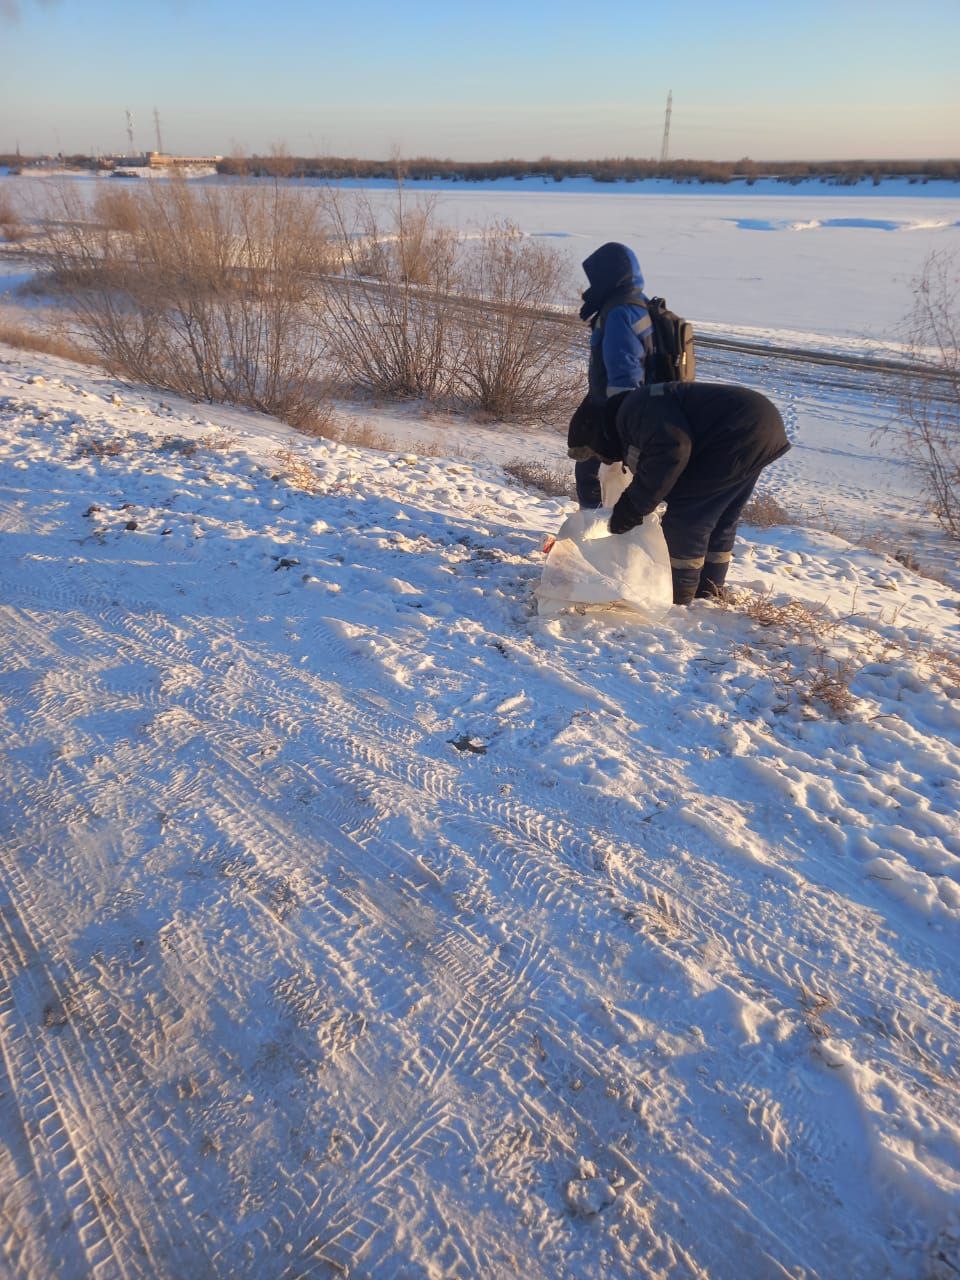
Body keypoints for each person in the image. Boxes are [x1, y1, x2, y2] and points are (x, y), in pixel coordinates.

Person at [567, 382, 790, 605]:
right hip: (759, 424)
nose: (607, 460)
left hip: (737, 431)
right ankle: (709, 591)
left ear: (600, 434)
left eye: (600, 453)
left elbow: (671, 452)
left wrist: (632, 507)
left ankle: (677, 599)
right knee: (720, 518)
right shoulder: (637, 405)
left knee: (686, 520)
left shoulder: (634, 412)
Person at [575, 242, 653, 510]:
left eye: (596, 277)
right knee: (600, 475)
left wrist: (617, 426)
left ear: (609, 275)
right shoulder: (637, 304)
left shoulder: (619, 311)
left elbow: (626, 371)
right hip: (635, 406)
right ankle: (606, 530)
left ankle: (597, 533)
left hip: (618, 408)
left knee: (591, 475)